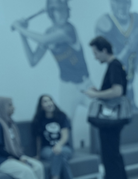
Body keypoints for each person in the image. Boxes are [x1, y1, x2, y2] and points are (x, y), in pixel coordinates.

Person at [12, 0, 93, 149]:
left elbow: (43, 39)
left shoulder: (69, 29)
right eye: (57, 10)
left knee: (101, 118)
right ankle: (70, 162)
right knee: (65, 126)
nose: (62, 14)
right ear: (50, 13)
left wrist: (19, 28)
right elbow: (33, 60)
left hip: (86, 85)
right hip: (67, 88)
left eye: (64, 10)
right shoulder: (49, 32)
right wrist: (22, 34)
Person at [84, 36, 131, 179]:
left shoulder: (114, 66)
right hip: (114, 121)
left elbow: (117, 91)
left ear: (104, 51)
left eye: (96, 53)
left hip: (110, 122)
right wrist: (100, 91)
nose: (95, 57)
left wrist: (95, 95)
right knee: (115, 157)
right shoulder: (117, 66)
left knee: (110, 159)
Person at [95, 0, 138, 112]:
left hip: (130, 76)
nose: (122, 6)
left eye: (124, 2)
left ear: (129, 4)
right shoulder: (105, 23)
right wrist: (128, 49)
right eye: (118, 2)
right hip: (115, 81)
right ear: (112, 4)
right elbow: (113, 61)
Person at [31, 94, 77, 179]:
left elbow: (65, 135)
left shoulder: (61, 116)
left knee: (58, 153)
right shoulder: (38, 120)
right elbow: (38, 140)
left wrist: (59, 145)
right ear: (41, 106)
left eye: (50, 100)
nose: (49, 103)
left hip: (64, 147)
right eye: (45, 101)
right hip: (46, 149)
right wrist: (37, 154)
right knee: (58, 155)